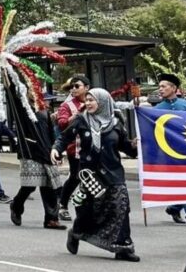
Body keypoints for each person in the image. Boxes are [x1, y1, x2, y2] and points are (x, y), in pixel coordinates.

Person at [52, 88, 139, 261]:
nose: (89, 103)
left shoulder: (116, 124)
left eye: (93, 100)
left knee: (120, 207)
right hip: (90, 174)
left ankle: (123, 248)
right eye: (88, 100)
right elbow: (64, 137)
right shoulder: (81, 121)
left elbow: (126, 148)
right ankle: (76, 232)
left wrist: (136, 145)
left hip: (114, 174)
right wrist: (56, 149)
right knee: (88, 210)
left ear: (104, 103)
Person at [6, 81, 66, 230]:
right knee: (30, 184)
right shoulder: (23, 109)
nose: (36, 93)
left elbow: (52, 133)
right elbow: (13, 95)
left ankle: (51, 219)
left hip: (47, 151)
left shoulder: (45, 110)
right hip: (30, 150)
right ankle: (16, 206)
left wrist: (57, 150)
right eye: (33, 90)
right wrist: (7, 73)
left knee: (51, 185)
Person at [155, 72, 186, 228]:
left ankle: (174, 208)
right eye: (159, 86)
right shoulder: (157, 108)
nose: (160, 89)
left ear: (173, 88)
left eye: (163, 86)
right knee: (184, 182)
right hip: (169, 151)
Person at [56, 75, 90, 221]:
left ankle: (88, 208)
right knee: (76, 177)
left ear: (87, 88)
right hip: (75, 148)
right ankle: (62, 205)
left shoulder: (93, 100)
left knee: (93, 178)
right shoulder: (67, 105)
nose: (73, 89)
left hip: (93, 146)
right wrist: (77, 114)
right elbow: (62, 124)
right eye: (72, 87)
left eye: (77, 86)